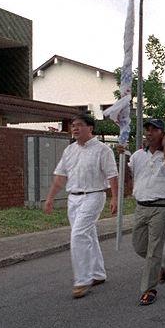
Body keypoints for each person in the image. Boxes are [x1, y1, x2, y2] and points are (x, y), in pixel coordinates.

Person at [44, 114, 118, 299]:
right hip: (74, 198)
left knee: (78, 235)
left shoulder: (103, 150)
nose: (75, 129)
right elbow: (61, 176)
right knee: (88, 235)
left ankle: (82, 280)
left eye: (79, 125)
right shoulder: (69, 151)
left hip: (94, 196)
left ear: (90, 128)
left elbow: (112, 176)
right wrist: (50, 198)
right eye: (73, 126)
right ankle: (98, 273)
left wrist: (115, 198)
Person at [127, 119, 165, 306]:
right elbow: (131, 176)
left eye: (154, 130)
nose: (149, 133)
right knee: (138, 245)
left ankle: (149, 289)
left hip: (160, 207)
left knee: (153, 250)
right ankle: (164, 261)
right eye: (147, 129)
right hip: (141, 206)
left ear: (163, 133)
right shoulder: (137, 156)